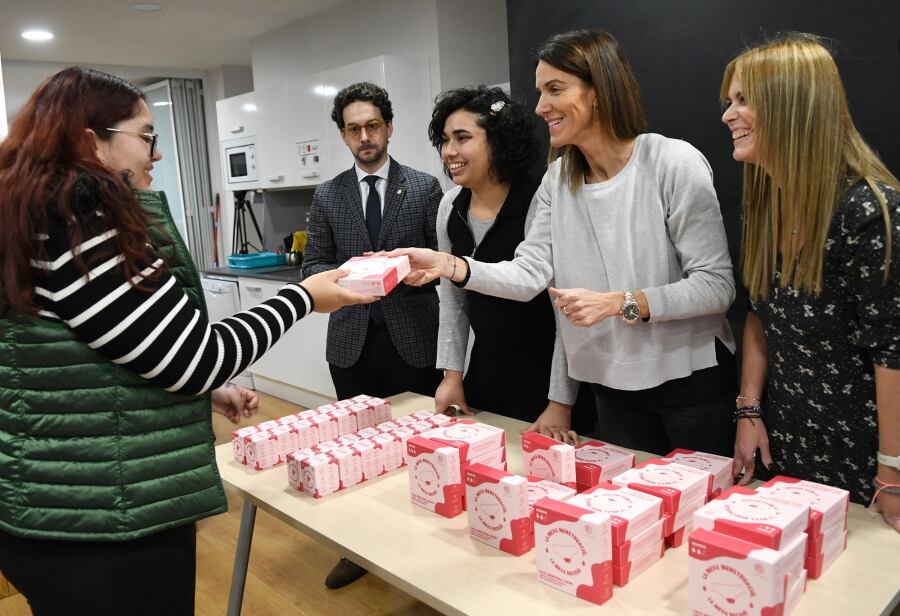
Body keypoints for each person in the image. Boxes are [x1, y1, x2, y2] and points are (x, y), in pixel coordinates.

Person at [0, 67, 374, 615]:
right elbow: (194, 359)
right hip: (108, 524)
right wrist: (304, 297)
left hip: (57, 506)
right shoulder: (83, 218)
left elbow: (91, 356)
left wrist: (197, 389)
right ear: (90, 140)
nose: (155, 153)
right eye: (145, 135)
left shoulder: (31, 213)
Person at [391, 29, 738, 455]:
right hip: (610, 387)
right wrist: (450, 266)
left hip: (689, 384)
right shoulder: (558, 180)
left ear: (600, 91)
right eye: (540, 91)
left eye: (555, 89)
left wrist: (619, 303)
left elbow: (716, 286)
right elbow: (529, 274)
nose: (540, 107)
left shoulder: (672, 162)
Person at [721, 33, 900, 530]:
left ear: (792, 104)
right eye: (729, 101)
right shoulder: (765, 204)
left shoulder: (869, 211)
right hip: (791, 442)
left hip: (870, 456)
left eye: (743, 100)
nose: (728, 115)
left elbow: (894, 352)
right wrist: (748, 410)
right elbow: (759, 312)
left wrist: (893, 470)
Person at [301, 82, 443, 588]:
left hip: (414, 339)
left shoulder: (426, 187)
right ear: (343, 135)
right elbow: (313, 264)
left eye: (373, 125)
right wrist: (350, 274)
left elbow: (443, 262)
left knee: (420, 447)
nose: (365, 136)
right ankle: (355, 548)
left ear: (389, 126)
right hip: (351, 343)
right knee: (355, 451)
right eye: (354, 129)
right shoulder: (328, 193)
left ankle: (425, 546)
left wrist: (408, 270)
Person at [428, 85, 595, 428]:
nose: (449, 151)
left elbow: (565, 314)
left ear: (498, 140)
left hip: (546, 379)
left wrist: (560, 403)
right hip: (485, 375)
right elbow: (453, 301)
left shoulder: (540, 200)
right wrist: (452, 375)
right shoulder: (450, 207)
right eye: (445, 140)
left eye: (462, 138)